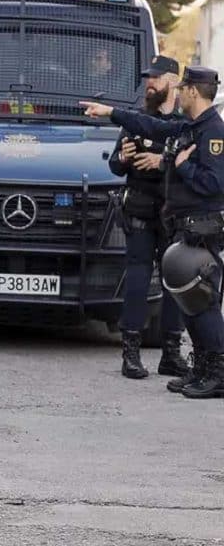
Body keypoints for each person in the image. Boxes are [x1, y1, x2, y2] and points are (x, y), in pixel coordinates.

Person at [82, 65, 224, 399]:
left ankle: (217, 372)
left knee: (203, 304)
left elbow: (214, 183)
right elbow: (151, 126)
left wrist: (179, 166)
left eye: (184, 87)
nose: (180, 93)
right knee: (191, 303)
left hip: (201, 230)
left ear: (191, 90)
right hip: (180, 226)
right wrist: (112, 113)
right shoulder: (190, 126)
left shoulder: (212, 132)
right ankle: (202, 368)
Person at [108, 55, 189, 380]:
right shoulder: (136, 120)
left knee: (176, 285)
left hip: (173, 216)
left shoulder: (185, 123)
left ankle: (170, 353)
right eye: (147, 78)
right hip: (140, 213)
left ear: (172, 81)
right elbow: (114, 165)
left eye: (155, 78)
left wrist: (163, 161)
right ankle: (130, 354)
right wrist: (124, 159)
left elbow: (192, 169)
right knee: (138, 282)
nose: (149, 83)